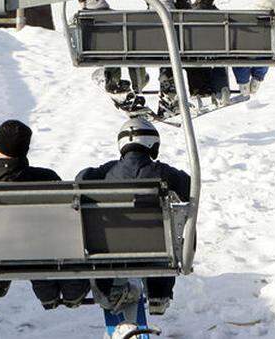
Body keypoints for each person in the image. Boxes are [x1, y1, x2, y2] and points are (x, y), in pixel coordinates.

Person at [77, 118, 191, 316]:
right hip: (155, 251)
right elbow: (188, 186)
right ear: (151, 145)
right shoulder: (163, 173)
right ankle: (158, 294)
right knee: (162, 243)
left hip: (109, 250)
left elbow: (81, 180)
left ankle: (110, 292)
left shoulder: (107, 171)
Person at [0, 120, 89, 310]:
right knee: (45, 238)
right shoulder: (46, 177)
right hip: (39, 249)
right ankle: (57, 289)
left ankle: (0, 276)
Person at [84, 0, 150, 107]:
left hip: (95, 53)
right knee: (132, 55)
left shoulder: (83, 18)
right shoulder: (116, 16)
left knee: (111, 56)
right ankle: (139, 84)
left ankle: (113, 82)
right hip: (123, 51)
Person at [232, 0, 275, 95]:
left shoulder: (253, 6)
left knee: (242, 56)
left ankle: (243, 83)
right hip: (268, 46)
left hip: (248, 45)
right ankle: (258, 77)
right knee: (265, 54)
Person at [189, 0, 232, 103]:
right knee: (219, 61)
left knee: (194, 62)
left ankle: (199, 91)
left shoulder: (189, 13)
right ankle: (221, 88)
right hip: (217, 49)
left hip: (194, 50)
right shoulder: (218, 14)